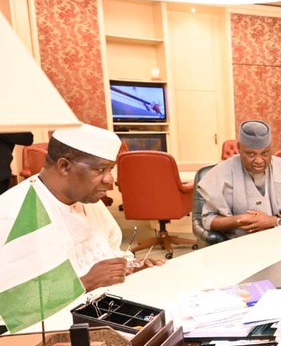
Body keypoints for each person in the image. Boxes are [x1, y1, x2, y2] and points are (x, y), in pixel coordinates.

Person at [0, 124, 164, 293]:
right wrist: (84, 283)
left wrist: (128, 267)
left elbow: (110, 249)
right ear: (64, 166)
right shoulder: (14, 213)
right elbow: (11, 299)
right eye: (100, 169)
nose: (110, 180)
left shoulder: (86, 198)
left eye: (110, 169)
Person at [198, 120, 281, 237]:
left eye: (265, 153)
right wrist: (238, 220)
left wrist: (274, 221)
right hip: (239, 242)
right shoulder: (220, 172)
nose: (259, 161)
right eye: (251, 154)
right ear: (239, 148)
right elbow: (208, 220)